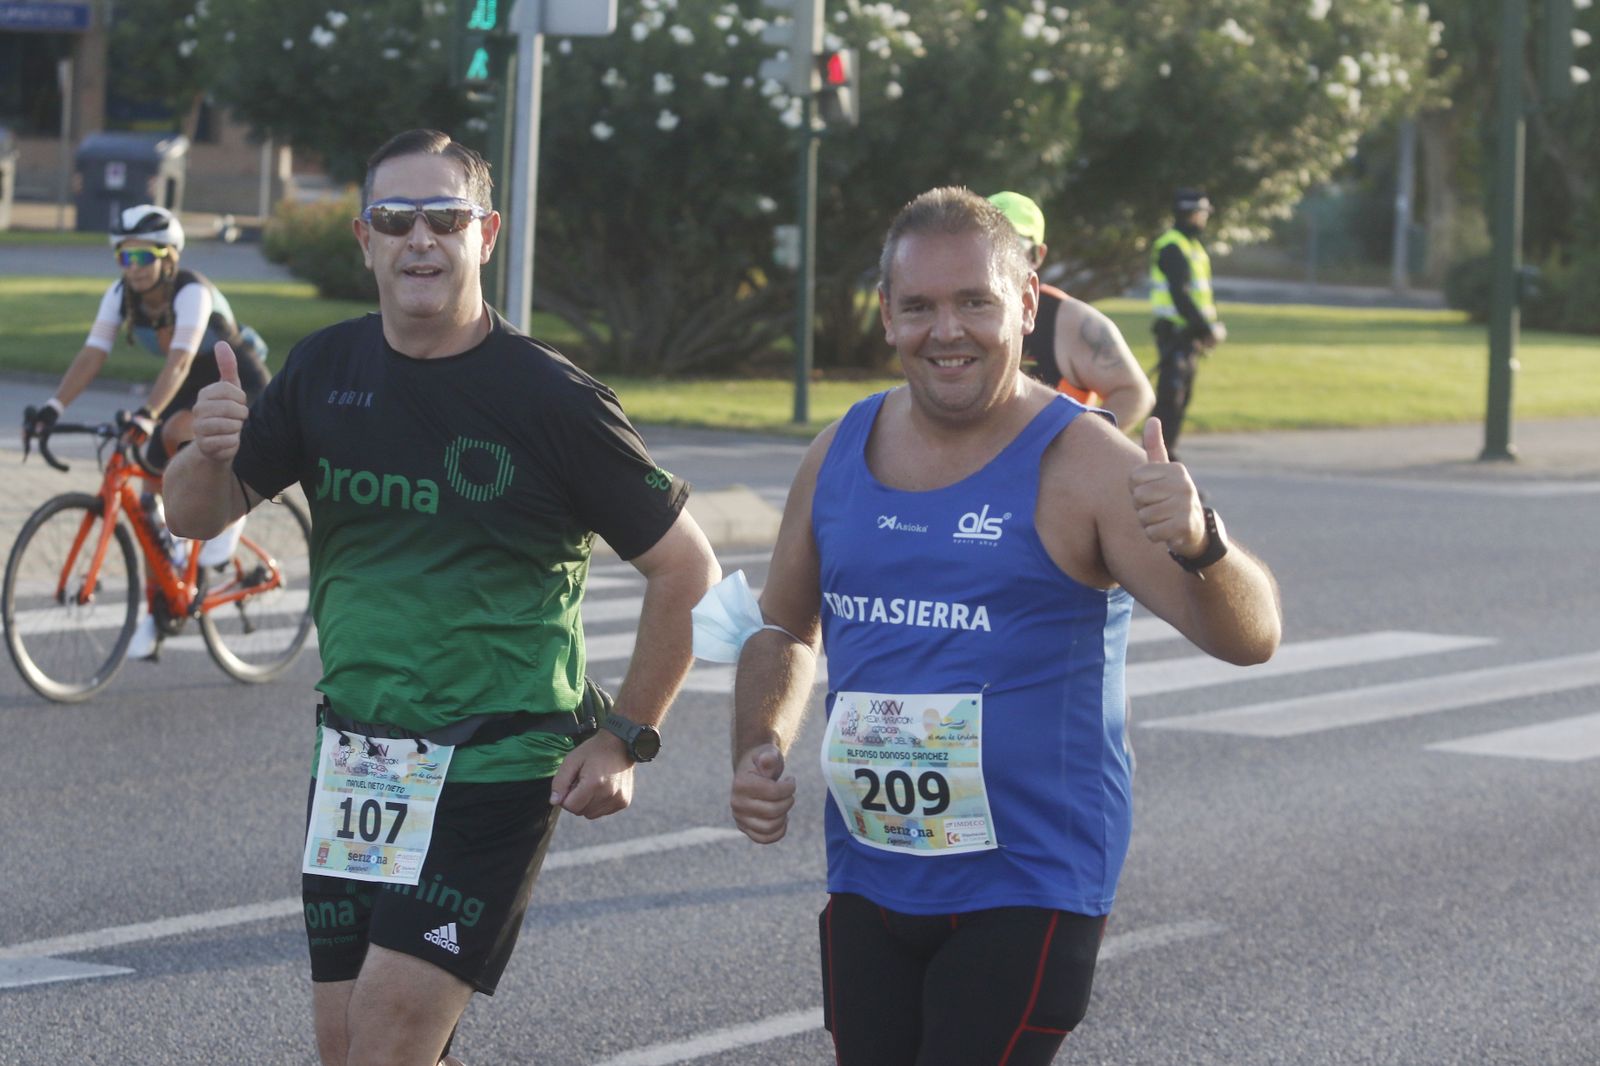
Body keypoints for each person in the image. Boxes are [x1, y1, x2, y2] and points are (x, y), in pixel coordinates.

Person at [162, 129, 720, 1066]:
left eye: (445, 218)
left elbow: (687, 568)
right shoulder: (325, 370)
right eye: (396, 218)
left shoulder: (551, 399)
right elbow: (197, 514)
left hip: (494, 768)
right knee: (351, 1049)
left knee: (387, 1037)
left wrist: (626, 732)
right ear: (364, 239)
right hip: (359, 764)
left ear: (486, 234)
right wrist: (203, 449)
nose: (421, 239)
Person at [726, 187, 1280, 1066]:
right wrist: (758, 741)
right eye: (920, 307)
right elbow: (786, 629)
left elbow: (1251, 638)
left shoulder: (1086, 462)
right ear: (886, 316)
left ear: (1025, 303)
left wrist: (1203, 543)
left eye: (974, 302)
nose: (948, 331)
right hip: (871, 868)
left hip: (1028, 881)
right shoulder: (838, 450)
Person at [21, 203, 273, 656]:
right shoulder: (121, 295)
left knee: (177, 430)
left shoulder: (190, 291)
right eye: (124, 256)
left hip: (237, 380)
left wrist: (147, 413)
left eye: (142, 256)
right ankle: (164, 604)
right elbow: (92, 353)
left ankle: (232, 515)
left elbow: (179, 360)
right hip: (187, 387)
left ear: (168, 256)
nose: (132, 268)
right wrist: (53, 407)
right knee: (154, 487)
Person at [987, 191, 1154, 431]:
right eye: (990, 243)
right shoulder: (953, 315)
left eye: (1013, 245)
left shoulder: (1069, 321)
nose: (999, 257)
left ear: (1037, 255)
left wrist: (1073, 448)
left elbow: (1134, 393)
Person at [1149, 187, 1226, 457]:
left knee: (1180, 398)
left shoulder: (1191, 246)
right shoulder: (1173, 245)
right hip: (1176, 334)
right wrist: (1207, 328)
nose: (1205, 219)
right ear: (1192, 214)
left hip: (1187, 336)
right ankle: (1159, 457)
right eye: (1202, 213)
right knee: (1171, 397)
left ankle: (1167, 454)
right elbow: (1179, 295)